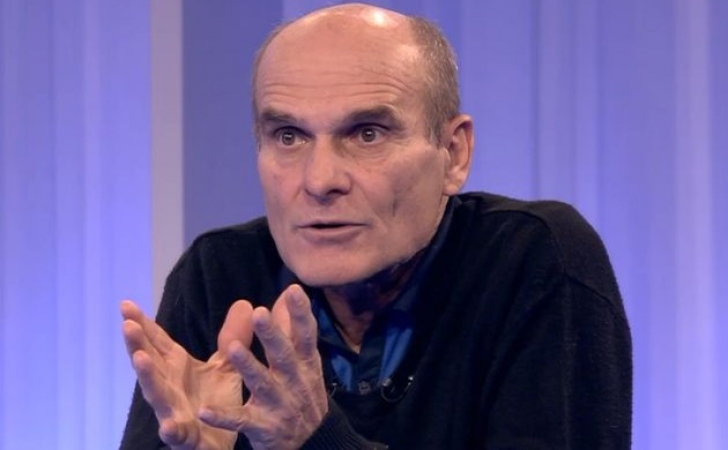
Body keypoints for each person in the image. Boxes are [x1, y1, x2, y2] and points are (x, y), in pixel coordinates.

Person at [120, 3, 632, 449]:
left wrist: (316, 440)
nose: (320, 180)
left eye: (367, 134)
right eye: (289, 136)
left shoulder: (533, 261)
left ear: (454, 153)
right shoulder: (219, 277)